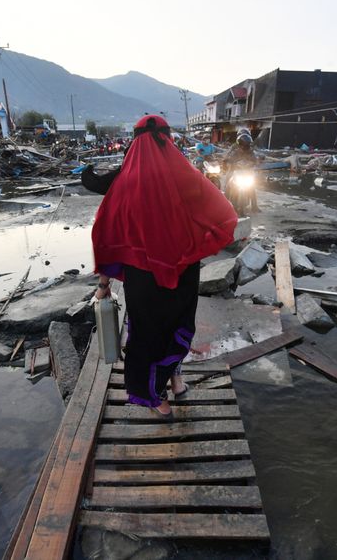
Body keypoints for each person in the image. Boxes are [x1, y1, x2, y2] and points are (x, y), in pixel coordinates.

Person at [82, 115, 238, 417]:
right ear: (168, 140)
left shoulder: (124, 184)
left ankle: (156, 399)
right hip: (183, 271)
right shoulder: (188, 177)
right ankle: (176, 382)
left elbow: (106, 237)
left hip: (143, 278)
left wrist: (104, 286)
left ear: (135, 142)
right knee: (177, 325)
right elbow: (223, 213)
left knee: (147, 335)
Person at [223, 130, 260, 213]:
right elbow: (228, 157)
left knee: (252, 187)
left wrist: (255, 164)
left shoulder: (251, 151)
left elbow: (255, 160)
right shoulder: (234, 149)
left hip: (246, 172)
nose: (244, 146)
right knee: (228, 183)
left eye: (246, 144)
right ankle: (224, 204)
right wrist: (228, 162)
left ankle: (254, 206)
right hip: (235, 170)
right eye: (243, 144)